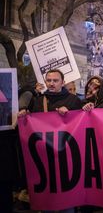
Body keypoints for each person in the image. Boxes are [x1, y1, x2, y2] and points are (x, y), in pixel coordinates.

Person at [18, 69, 81, 213]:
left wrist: (71, 114)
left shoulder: (74, 100)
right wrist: (25, 115)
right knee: (49, 200)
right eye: (49, 80)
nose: (51, 83)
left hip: (66, 158)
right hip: (45, 157)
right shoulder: (39, 100)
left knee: (67, 200)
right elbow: (33, 126)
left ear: (63, 82)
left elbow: (83, 123)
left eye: (55, 80)